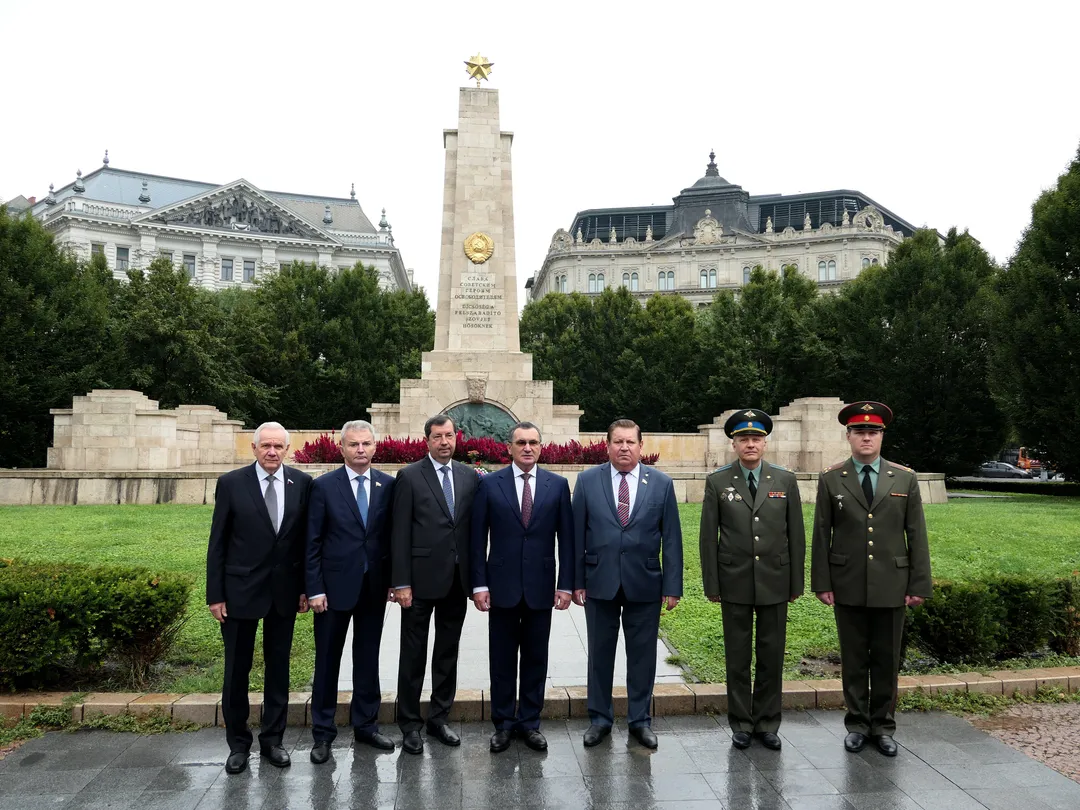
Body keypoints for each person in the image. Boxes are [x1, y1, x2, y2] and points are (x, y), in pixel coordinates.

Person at [811, 401, 932, 757]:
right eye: (860, 432)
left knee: (886, 658)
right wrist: (823, 582)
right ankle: (857, 724)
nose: (866, 437)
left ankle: (883, 725)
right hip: (847, 582)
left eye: (873, 432)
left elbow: (917, 534)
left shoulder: (904, 478)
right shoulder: (832, 478)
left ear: (882, 436)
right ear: (848, 436)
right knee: (853, 658)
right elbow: (822, 533)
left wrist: (918, 583)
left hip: (892, 584)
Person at [206, 422, 313, 774]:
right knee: (237, 670)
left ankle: (273, 741)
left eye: (278, 446)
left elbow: (302, 543)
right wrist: (215, 594)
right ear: (253, 448)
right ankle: (238, 744)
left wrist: (303, 588)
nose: (272, 452)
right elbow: (218, 543)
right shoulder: (232, 484)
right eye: (265, 445)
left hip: (283, 594)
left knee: (278, 669)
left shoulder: (302, 484)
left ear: (287, 449)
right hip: (239, 593)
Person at [572, 418, 683, 750]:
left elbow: (673, 539)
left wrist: (672, 586)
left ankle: (639, 720)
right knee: (600, 655)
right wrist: (577, 580)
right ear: (606, 446)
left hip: (645, 583)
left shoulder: (661, 484)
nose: (623, 447)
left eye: (629, 442)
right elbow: (577, 535)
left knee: (642, 657)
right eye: (617, 442)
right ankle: (600, 719)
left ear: (640, 446)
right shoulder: (588, 480)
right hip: (599, 582)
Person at [699, 409, 805, 751]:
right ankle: (742, 723)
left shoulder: (784, 480)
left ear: (765, 442)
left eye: (756, 438)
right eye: (743, 439)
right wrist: (712, 585)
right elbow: (708, 536)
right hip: (735, 580)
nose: (750, 444)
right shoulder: (718, 481)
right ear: (734, 444)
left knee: (771, 655)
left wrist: (795, 583)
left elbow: (797, 534)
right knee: (738, 655)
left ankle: (768, 722)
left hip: (775, 579)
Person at [470, 421, 574, 754]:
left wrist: (566, 585)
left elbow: (567, 541)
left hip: (541, 588)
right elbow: (476, 540)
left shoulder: (557, 486)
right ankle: (502, 724)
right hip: (500, 588)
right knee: (501, 659)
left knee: (535, 658)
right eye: (520, 442)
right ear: (509, 447)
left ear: (541, 447)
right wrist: (479, 585)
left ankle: (530, 723)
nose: (527, 448)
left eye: (533, 442)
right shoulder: (489, 485)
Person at [306, 420, 396, 765]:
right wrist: (314, 588)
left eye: (366, 444)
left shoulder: (387, 485)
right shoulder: (324, 486)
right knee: (328, 660)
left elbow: (391, 538)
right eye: (354, 444)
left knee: (368, 657)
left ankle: (366, 725)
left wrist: (393, 580)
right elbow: (312, 541)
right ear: (341, 448)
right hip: (332, 590)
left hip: (373, 588)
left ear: (375, 447)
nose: (361, 450)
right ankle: (323, 732)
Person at [391, 414, 478, 755]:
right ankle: (409, 724)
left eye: (449, 436)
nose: (444, 442)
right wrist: (400, 582)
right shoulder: (410, 476)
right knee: (413, 654)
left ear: (457, 438)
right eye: (437, 437)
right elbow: (399, 533)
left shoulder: (470, 477)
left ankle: (439, 718)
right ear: (426, 440)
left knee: (447, 653)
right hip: (419, 583)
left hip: (457, 582)